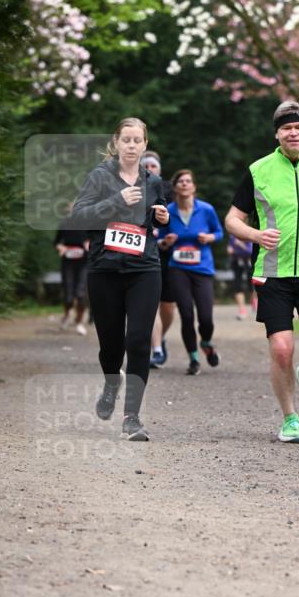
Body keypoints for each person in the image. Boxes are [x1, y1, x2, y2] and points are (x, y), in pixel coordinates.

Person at [224, 100, 299, 444]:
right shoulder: (258, 171)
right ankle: (290, 419)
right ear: (277, 134)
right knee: (281, 349)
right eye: (286, 128)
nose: (293, 133)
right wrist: (256, 235)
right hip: (273, 273)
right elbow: (232, 219)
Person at [70, 117, 169, 440]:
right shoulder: (99, 177)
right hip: (105, 270)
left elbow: (156, 218)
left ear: (145, 144)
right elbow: (78, 217)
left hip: (144, 268)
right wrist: (116, 201)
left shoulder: (154, 181)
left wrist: (162, 217)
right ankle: (112, 381)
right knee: (111, 346)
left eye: (137, 140)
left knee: (138, 340)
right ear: (116, 142)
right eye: (126, 139)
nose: (131, 145)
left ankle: (132, 418)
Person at [157, 169, 223, 376]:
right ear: (175, 188)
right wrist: (166, 242)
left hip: (202, 268)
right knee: (186, 315)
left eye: (188, 181)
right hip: (178, 269)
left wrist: (209, 238)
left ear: (194, 186)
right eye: (181, 181)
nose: (185, 184)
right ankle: (194, 359)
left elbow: (219, 232)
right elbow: (159, 239)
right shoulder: (168, 211)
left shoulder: (206, 209)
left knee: (206, 317)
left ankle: (206, 342)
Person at [143, 152, 175, 368]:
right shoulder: (130, 188)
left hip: (168, 255)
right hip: (143, 251)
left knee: (168, 305)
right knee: (150, 303)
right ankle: (156, 349)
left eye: (153, 165)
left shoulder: (169, 190)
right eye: (145, 165)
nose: (149, 169)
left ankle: (160, 337)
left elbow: (177, 218)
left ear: (159, 169)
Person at [54, 216, 90, 335]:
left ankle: (79, 322)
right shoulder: (65, 224)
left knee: (81, 294)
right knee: (68, 295)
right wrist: (60, 247)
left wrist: (90, 245)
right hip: (68, 263)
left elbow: (97, 242)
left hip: (84, 263)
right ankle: (66, 316)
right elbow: (56, 242)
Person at [227, 234, 254, 319]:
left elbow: (250, 251)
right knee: (237, 285)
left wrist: (240, 245)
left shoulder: (248, 234)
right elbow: (230, 249)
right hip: (237, 262)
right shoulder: (232, 236)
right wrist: (231, 250)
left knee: (252, 284)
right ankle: (242, 310)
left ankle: (254, 301)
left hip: (248, 262)